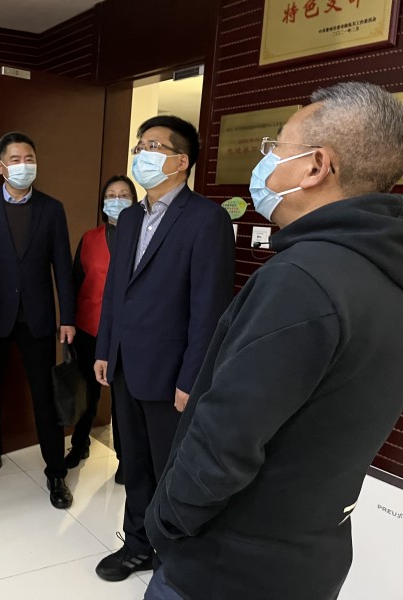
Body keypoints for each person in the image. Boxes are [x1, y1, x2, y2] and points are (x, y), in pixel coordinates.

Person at [144, 82, 403, 600]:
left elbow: (225, 439)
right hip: (307, 558)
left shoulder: (303, 279)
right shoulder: (383, 270)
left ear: (316, 166)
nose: (265, 161)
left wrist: (166, 522)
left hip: (226, 567)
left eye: (276, 146)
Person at [93, 116, 235, 582]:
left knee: (171, 469)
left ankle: (175, 556)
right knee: (133, 464)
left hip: (173, 373)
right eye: (139, 145)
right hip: (126, 366)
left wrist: (192, 378)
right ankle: (137, 545)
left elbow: (209, 308)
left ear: (180, 161)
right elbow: (116, 291)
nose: (141, 154)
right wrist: (105, 349)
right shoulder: (131, 217)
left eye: (152, 146)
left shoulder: (206, 219)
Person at [0, 131, 76, 509]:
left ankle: (56, 471)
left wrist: (67, 317)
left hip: (38, 318)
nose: (24, 165)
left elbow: (63, 267)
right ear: (1, 166)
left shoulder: (52, 209)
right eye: (15, 159)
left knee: (45, 396)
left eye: (29, 158)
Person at [65, 175, 137, 483]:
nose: (117, 200)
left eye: (124, 195)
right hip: (89, 329)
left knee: (123, 399)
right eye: (111, 195)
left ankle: (125, 457)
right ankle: (79, 443)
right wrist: (67, 322)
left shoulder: (144, 238)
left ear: (134, 202)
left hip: (128, 332)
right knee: (87, 392)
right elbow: (74, 283)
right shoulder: (89, 239)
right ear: (102, 202)